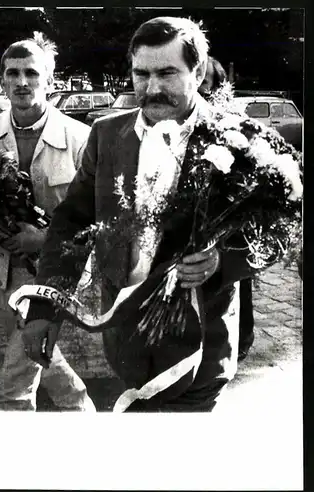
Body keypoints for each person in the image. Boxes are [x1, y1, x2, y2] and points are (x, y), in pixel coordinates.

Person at [20, 17, 257, 412]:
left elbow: (274, 233)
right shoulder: (106, 134)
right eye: (141, 73)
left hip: (201, 349)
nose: (152, 88)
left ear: (196, 73)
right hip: (125, 342)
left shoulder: (236, 137)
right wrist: (46, 306)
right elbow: (72, 222)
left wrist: (221, 260)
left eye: (167, 73)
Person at [0, 35, 96, 411]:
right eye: (13, 73)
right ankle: (81, 411)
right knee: (35, 354)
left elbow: (99, 217)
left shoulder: (81, 140)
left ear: (50, 82)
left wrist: (43, 239)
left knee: (16, 378)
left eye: (32, 73)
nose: (22, 82)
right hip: (0, 271)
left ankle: (12, 423)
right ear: (1, 81)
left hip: (56, 272)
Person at [198, 56, 255, 362]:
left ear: (218, 89)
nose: (198, 90)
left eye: (205, 85)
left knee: (237, 284)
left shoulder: (234, 125)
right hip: (198, 225)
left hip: (231, 227)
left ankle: (242, 338)